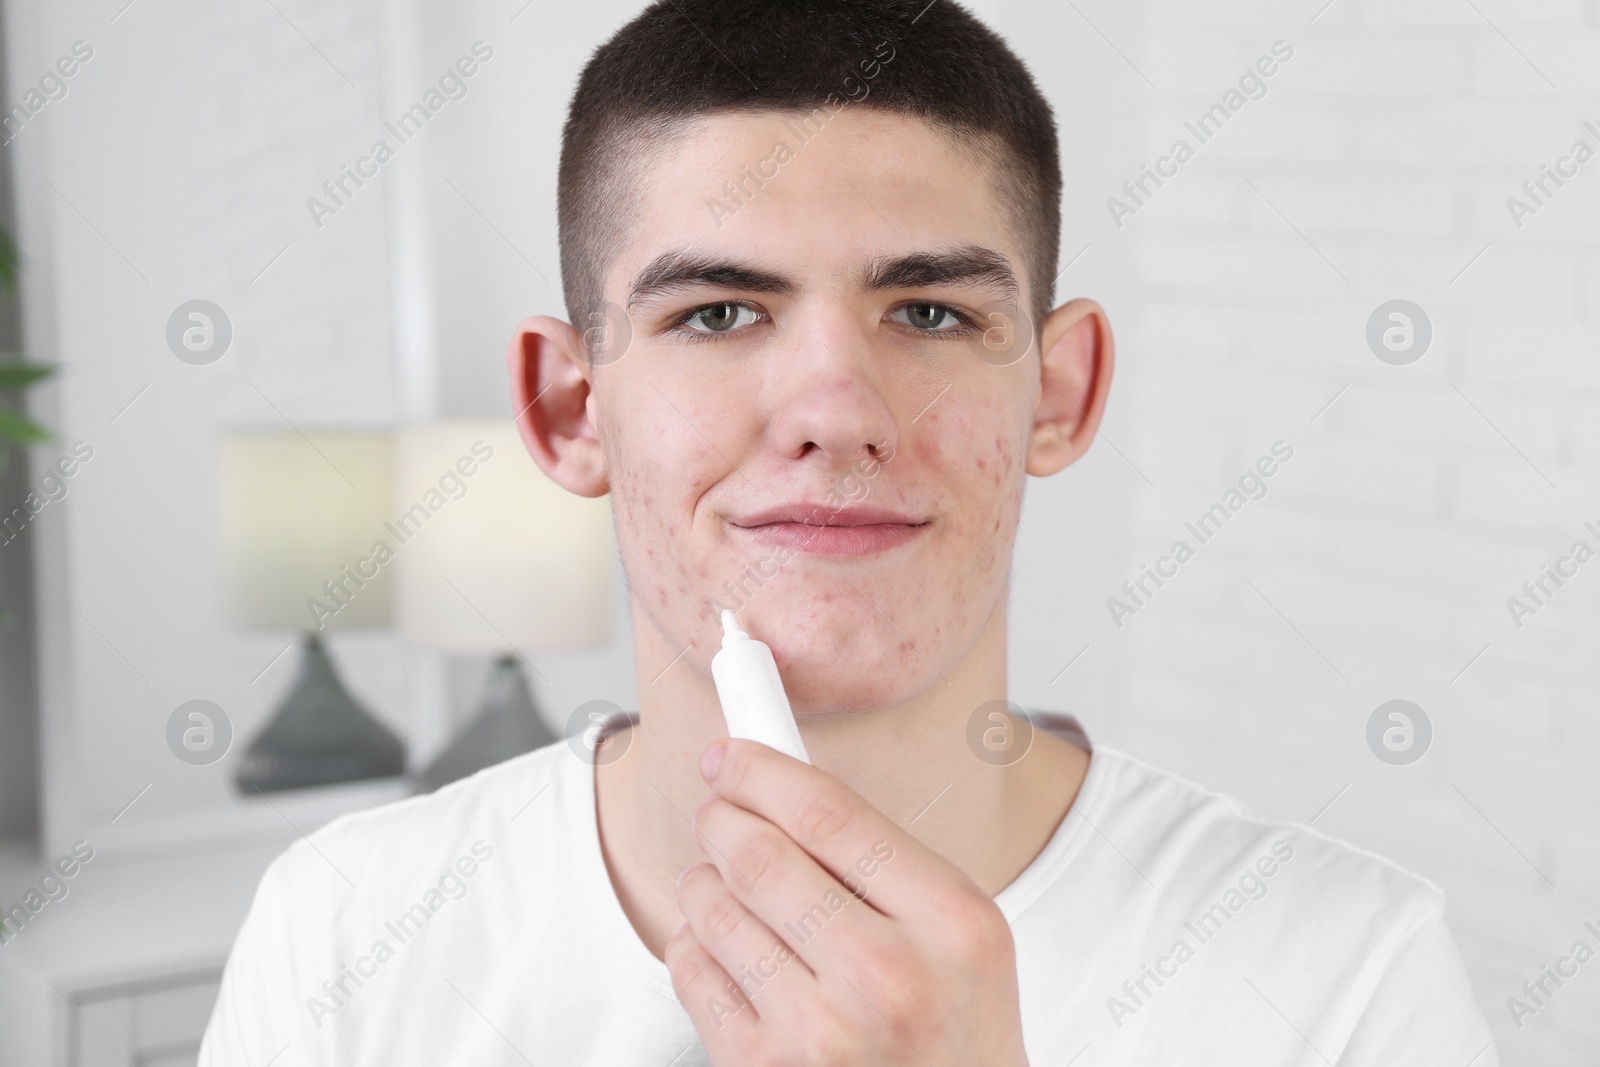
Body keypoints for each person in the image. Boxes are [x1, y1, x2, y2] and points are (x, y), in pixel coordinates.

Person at [200, 1, 1499, 1063]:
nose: (835, 412)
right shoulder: (344, 933)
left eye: (930, 313)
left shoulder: (1349, 981)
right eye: (717, 313)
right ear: (567, 408)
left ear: (1060, 391)